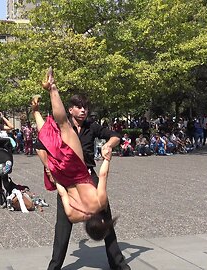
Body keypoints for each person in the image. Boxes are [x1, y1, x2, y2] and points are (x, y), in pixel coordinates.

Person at [34, 68, 128, 269]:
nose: (84, 110)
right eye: (79, 107)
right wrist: (50, 171)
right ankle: (52, 87)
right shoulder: (78, 213)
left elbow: (114, 137)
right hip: (73, 172)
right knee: (61, 127)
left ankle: (118, 265)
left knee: (57, 127)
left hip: (71, 175)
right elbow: (41, 146)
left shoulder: (92, 127)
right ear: (71, 109)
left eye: (85, 107)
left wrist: (108, 145)